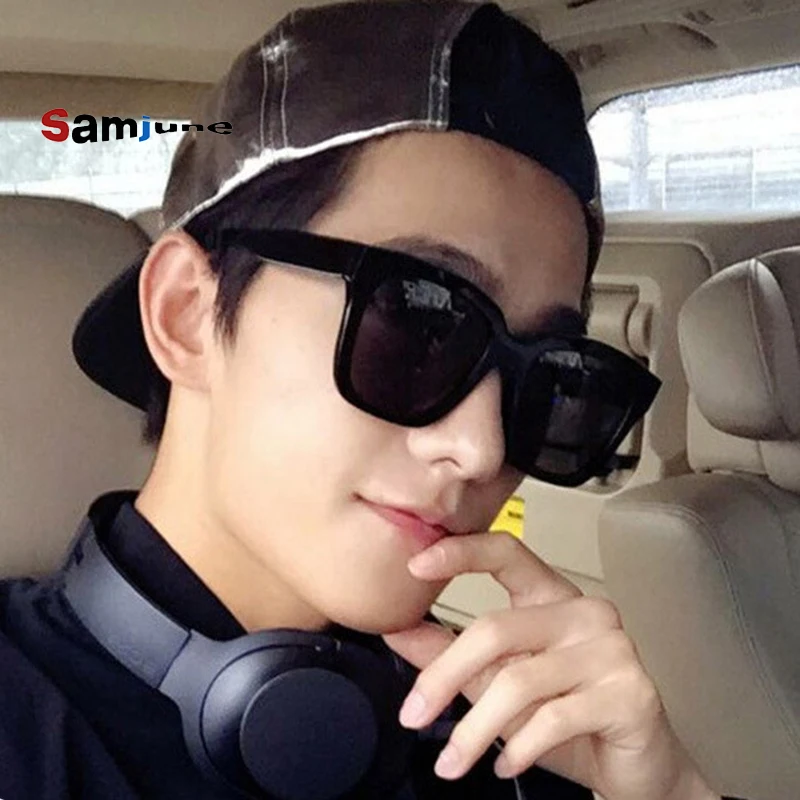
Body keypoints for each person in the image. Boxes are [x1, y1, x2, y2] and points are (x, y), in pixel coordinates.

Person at [0, 2, 746, 799]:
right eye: (418, 320)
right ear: (186, 314)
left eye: (550, 376)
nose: (484, 449)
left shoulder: (518, 737)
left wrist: (670, 791)